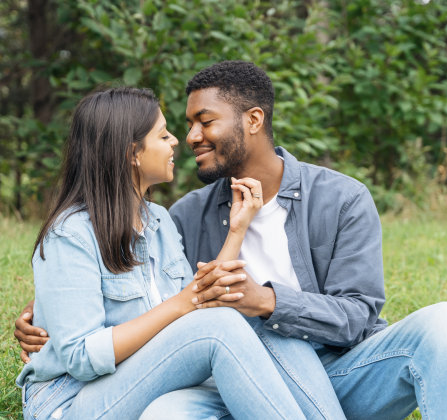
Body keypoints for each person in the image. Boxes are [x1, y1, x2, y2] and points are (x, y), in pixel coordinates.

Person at [16, 63, 447, 420]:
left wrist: (268, 302)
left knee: (441, 322)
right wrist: (43, 320)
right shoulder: (185, 215)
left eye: (204, 121)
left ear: (254, 119)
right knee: (172, 406)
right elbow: (179, 301)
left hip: (331, 372)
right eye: (176, 128)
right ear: (130, 153)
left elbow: (359, 316)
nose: (188, 137)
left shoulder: (341, 199)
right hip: (224, 382)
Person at [16, 86, 309, 420]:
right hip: (72, 401)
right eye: (164, 135)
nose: (176, 141)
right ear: (132, 153)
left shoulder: (159, 220)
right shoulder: (70, 233)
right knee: (222, 327)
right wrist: (181, 303)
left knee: (274, 328)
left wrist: (237, 230)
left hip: (145, 383)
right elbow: (82, 357)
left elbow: (200, 303)